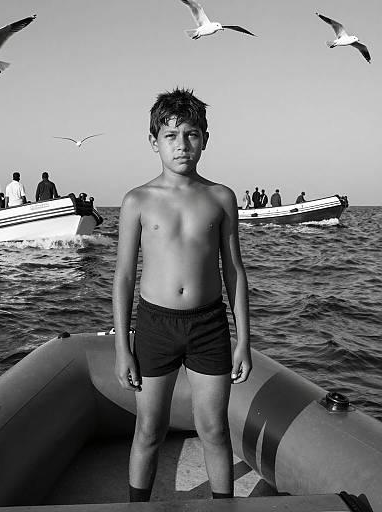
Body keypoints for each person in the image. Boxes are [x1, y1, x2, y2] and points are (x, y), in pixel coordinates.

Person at [113, 88, 251, 503]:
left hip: (209, 324)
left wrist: (244, 339)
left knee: (213, 429)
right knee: (149, 430)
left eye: (191, 135)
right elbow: (122, 277)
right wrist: (123, 346)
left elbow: (234, 271)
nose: (181, 145)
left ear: (205, 139)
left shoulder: (220, 197)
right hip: (155, 325)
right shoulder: (137, 200)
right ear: (153, 141)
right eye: (170, 135)